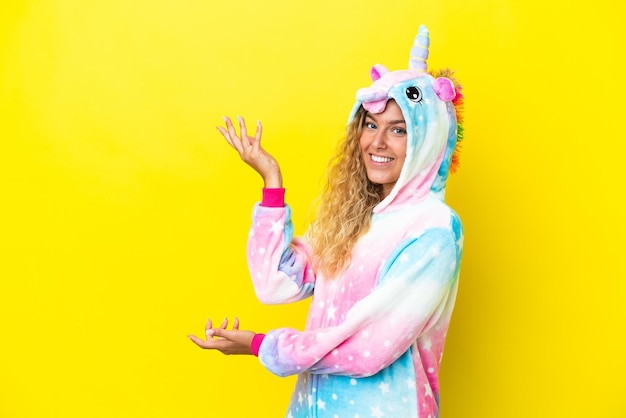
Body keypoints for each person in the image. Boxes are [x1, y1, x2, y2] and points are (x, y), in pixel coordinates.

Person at [189, 24, 465, 418]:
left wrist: (261, 345)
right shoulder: (355, 217)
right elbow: (275, 283)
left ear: (427, 141)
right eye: (371, 125)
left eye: (399, 130)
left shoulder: (433, 230)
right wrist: (271, 183)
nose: (377, 142)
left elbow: (369, 346)